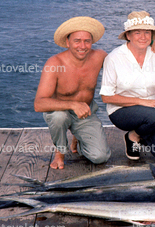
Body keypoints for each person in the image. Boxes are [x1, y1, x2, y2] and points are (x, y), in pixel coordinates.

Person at [34, 16, 111, 169]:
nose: (82, 46)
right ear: (68, 42)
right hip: (61, 111)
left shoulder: (99, 57)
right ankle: (60, 153)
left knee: (100, 157)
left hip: (85, 113)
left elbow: (124, 61)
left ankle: (78, 138)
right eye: (77, 41)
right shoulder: (54, 63)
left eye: (87, 41)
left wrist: (149, 45)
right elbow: (39, 103)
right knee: (58, 117)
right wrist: (73, 104)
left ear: (92, 42)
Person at [100, 11, 155, 160]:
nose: (143, 37)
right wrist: (143, 102)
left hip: (153, 112)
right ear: (128, 35)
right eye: (137, 33)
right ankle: (133, 135)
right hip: (122, 111)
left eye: (147, 33)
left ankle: (138, 136)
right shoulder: (114, 58)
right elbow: (106, 97)